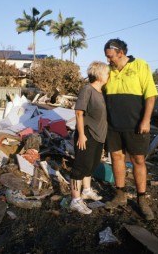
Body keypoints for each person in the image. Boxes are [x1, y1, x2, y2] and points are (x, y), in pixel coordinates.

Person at [103, 38, 158, 221]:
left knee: (138, 160)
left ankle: (142, 199)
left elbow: (150, 96)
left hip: (136, 124)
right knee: (116, 157)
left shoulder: (140, 66)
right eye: (107, 57)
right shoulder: (107, 71)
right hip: (113, 125)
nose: (108, 60)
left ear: (121, 52)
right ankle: (120, 195)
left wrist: (146, 120)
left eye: (110, 56)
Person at [70, 61, 110, 215]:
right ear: (99, 75)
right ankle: (75, 200)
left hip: (99, 136)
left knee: (91, 166)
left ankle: (86, 190)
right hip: (87, 134)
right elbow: (79, 113)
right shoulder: (87, 90)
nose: (108, 76)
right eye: (106, 73)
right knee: (79, 167)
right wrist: (81, 135)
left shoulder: (101, 93)